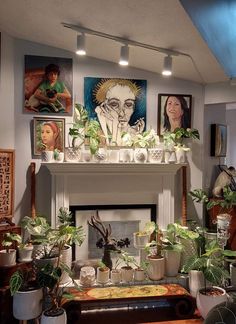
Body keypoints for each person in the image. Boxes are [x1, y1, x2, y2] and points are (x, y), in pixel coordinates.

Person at [94, 79, 145, 146]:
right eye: (114, 104)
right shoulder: (95, 133)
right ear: (103, 107)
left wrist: (137, 133)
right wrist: (115, 126)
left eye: (128, 105)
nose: (121, 113)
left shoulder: (133, 132)